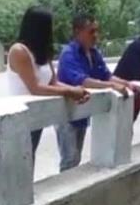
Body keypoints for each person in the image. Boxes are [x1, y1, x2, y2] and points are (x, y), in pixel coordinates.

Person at [7, 7, 90, 164]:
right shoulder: (19, 51)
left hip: (38, 114)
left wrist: (76, 90)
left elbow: (53, 82)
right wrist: (70, 92)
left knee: (30, 157)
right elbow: (35, 88)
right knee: (23, 161)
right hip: (21, 115)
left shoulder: (42, 52)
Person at [56, 13, 133, 172]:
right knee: (70, 159)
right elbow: (83, 81)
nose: (96, 35)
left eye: (97, 31)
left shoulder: (94, 53)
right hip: (66, 114)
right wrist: (112, 86)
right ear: (78, 31)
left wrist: (126, 83)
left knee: (75, 157)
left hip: (82, 113)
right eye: (91, 31)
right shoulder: (68, 54)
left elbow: (106, 74)